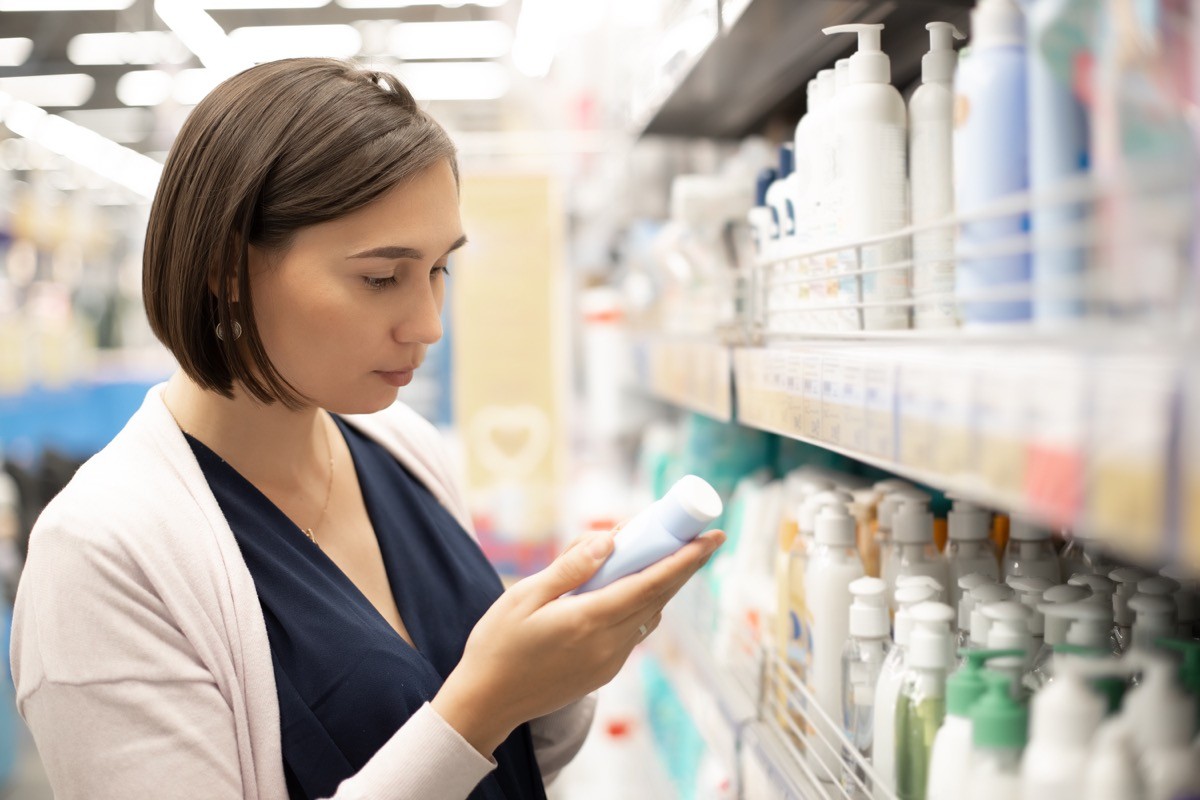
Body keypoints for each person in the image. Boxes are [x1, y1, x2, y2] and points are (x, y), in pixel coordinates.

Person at [9, 58, 724, 800]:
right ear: (227, 265)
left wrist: (564, 663)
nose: (428, 325)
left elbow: (514, 764)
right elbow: (470, 725)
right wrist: (481, 705)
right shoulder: (100, 560)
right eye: (381, 277)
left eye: (440, 269)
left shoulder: (402, 449)